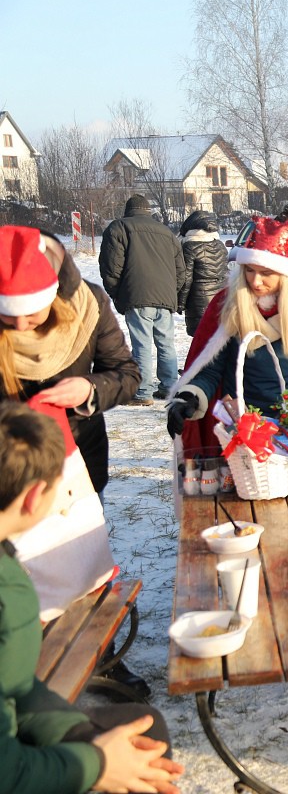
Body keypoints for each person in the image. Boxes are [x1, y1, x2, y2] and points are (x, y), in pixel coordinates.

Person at [0, 400, 185, 794]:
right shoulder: (7, 596)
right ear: (35, 498)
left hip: (17, 731)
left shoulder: (8, 562)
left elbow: (14, 686)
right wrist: (96, 764)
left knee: (143, 730)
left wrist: (78, 731)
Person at [0, 225, 148, 697]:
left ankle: (97, 655)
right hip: (7, 470)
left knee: (77, 559)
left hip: (76, 463)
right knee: (15, 574)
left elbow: (126, 375)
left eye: (32, 314)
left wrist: (90, 391)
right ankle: (25, 665)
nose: (21, 327)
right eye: (8, 319)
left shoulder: (89, 305)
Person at [168, 217, 288, 453]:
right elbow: (211, 368)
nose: (256, 281)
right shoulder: (230, 303)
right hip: (239, 431)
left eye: (266, 273)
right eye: (249, 270)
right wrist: (190, 397)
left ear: (283, 273)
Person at [99, 194, 185, 404]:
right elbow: (180, 270)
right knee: (166, 343)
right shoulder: (167, 232)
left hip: (136, 294)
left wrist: (118, 293)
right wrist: (172, 291)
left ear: (128, 211)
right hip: (165, 295)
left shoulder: (118, 228)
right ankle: (170, 387)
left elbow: (111, 268)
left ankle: (143, 392)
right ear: (148, 210)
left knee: (142, 344)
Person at [178, 210, 228, 336]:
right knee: (217, 337)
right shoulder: (220, 245)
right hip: (219, 298)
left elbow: (186, 278)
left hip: (198, 298)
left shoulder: (189, 247)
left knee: (200, 339)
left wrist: (180, 303)